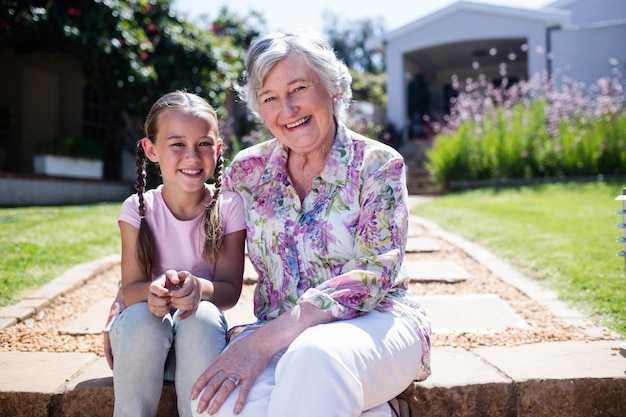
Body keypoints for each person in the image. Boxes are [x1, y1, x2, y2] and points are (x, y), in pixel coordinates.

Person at [189, 30, 431, 417]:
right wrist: (129, 296)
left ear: (332, 89)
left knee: (314, 357)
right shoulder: (246, 172)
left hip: (377, 325)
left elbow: (375, 272)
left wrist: (273, 336)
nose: (287, 109)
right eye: (269, 98)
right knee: (217, 406)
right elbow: (206, 254)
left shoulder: (378, 164)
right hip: (278, 339)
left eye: (298, 88)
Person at [102, 91, 247, 417]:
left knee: (204, 314)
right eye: (177, 144)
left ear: (218, 148)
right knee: (141, 317)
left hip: (198, 347)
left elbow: (229, 289)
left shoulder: (229, 208)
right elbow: (132, 288)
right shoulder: (136, 210)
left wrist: (199, 289)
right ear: (151, 150)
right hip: (144, 346)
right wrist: (151, 293)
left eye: (204, 144)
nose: (192, 156)